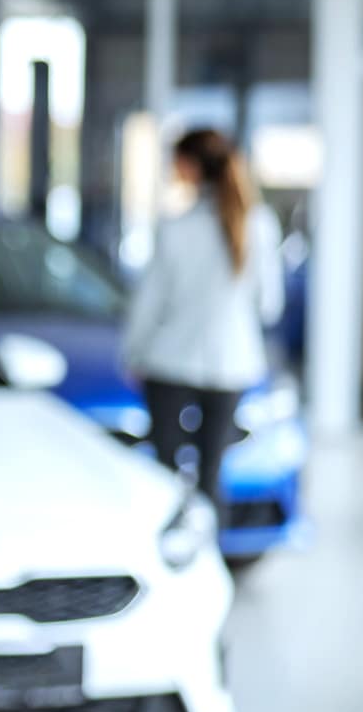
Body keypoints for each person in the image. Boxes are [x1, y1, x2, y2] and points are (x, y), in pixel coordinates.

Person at [122, 128, 285, 522]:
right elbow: (269, 306)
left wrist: (131, 354)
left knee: (164, 469)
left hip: (170, 361)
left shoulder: (177, 228)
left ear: (191, 166)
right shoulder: (258, 225)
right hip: (232, 365)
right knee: (211, 472)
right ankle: (208, 560)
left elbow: (148, 304)